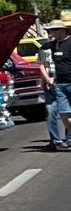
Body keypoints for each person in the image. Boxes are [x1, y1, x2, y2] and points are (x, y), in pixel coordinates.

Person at [42, 19, 71, 151]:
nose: (52, 33)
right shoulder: (52, 45)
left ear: (64, 30)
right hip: (59, 84)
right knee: (63, 114)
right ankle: (58, 139)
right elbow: (42, 58)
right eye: (50, 30)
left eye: (55, 30)